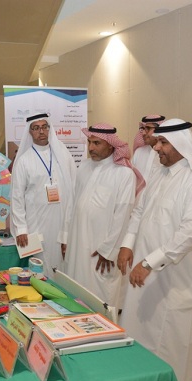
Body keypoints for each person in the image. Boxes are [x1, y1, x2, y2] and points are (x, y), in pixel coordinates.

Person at [117, 119, 192, 381]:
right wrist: (128, 244)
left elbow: (191, 233)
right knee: (143, 339)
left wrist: (149, 262)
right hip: (148, 277)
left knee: (177, 351)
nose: (157, 148)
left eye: (164, 143)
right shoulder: (160, 173)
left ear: (181, 144)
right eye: (157, 142)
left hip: (181, 282)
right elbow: (139, 211)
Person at [61, 123, 144, 311]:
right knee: (75, 293)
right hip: (77, 243)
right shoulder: (84, 166)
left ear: (111, 145)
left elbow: (123, 216)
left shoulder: (124, 174)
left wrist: (109, 251)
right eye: (89, 142)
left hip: (100, 251)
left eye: (97, 143)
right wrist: (65, 237)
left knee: (100, 299)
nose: (91, 148)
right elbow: (72, 203)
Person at [10, 113, 76, 278]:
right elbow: (17, 197)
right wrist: (21, 228)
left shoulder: (63, 154)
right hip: (36, 224)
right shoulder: (24, 161)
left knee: (64, 264)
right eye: (36, 128)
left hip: (63, 221)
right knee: (41, 266)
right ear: (30, 132)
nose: (41, 131)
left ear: (49, 128)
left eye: (44, 127)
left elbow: (73, 187)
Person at [132, 114, 165, 184]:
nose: (143, 133)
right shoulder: (139, 152)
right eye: (143, 129)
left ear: (159, 129)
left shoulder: (166, 154)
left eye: (148, 129)